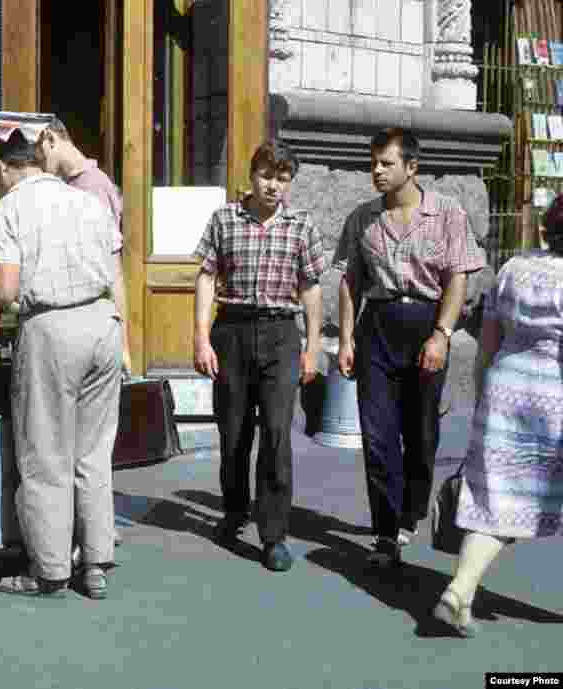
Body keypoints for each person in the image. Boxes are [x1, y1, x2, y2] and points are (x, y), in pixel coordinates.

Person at [0, 130, 125, 600]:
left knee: (45, 455)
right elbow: (116, 270)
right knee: (93, 453)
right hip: (104, 322)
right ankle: (96, 561)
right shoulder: (89, 202)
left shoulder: (7, 210)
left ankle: (51, 570)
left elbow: (2, 289)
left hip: (53, 328)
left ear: (1, 168)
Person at [334, 128, 486, 568]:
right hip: (377, 327)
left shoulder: (447, 214)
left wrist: (441, 334)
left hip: (424, 325)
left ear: (411, 167)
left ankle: (411, 513)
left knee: (420, 435)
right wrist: (345, 339)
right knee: (378, 437)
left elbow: (458, 276)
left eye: (386, 163)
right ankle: (385, 533)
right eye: (373, 163)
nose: (376, 171)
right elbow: (350, 280)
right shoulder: (362, 218)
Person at [192, 140, 326, 572]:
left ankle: (273, 534)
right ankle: (234, 510)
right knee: (233, 433)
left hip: (280, 334)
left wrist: (312, 346)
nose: (273, 186)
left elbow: (310, 287)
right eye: (266, 175)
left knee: (276, 434)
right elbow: (207, 277)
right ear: (252, 175)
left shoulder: (301, 227)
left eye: (283, 178)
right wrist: (200, 338)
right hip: (231, 330)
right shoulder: (225, 219)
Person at [431, 196, 563, 637]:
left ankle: (461, 588)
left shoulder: (514, 268)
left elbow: (488, 341)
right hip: (553, 397)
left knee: (496, 502)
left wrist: (486, 393)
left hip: (505, 391)